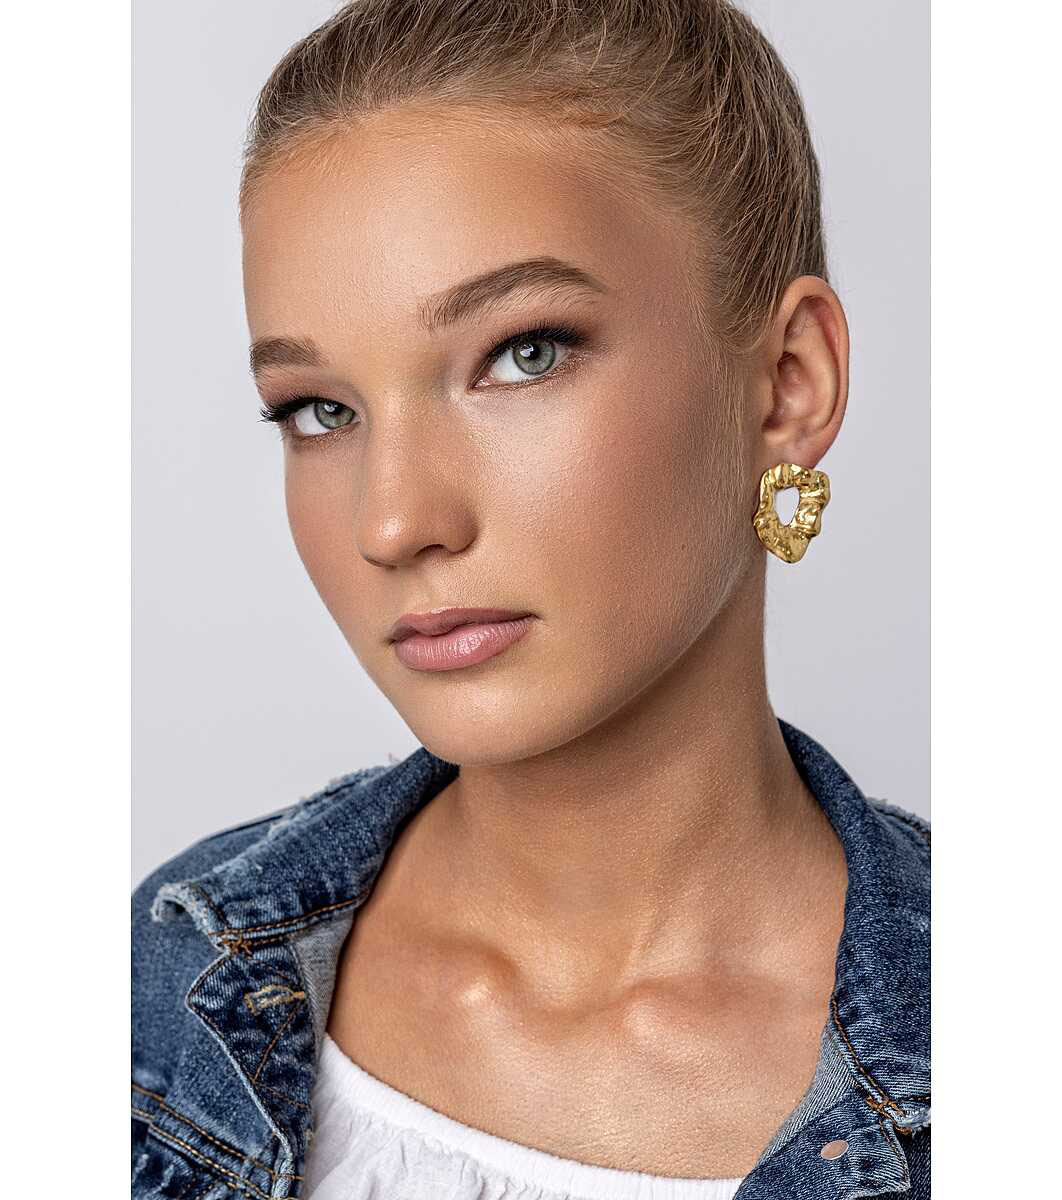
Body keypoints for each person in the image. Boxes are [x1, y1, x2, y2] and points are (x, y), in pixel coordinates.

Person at [132, 1, 930, 1197]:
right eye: (321, 410)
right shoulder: (158, 986)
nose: (395, 522)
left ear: (787, 384)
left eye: (524, 354)